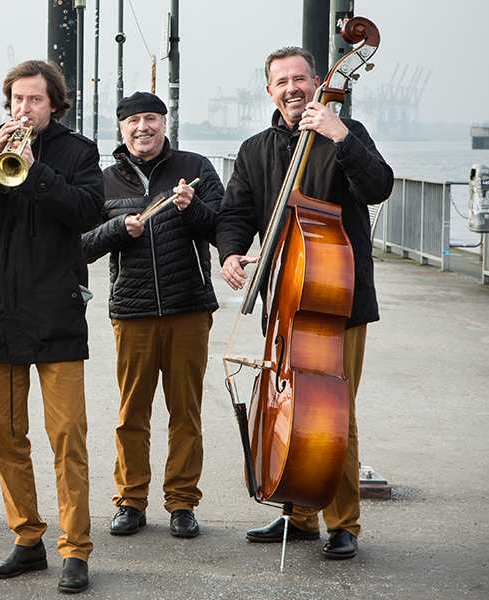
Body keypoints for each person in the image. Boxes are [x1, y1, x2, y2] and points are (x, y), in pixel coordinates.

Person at [216, 47, 393, 561]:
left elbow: (377, 186)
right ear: (269, 91)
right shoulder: (255, 150)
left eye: (300, 79)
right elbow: (235, 212)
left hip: (339, 299)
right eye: (281, 82)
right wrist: (230, 251)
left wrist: (339, 135)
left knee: (334, 411)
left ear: (317, 82)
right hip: (288, 298)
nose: (292, 88)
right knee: (290, 406)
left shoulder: (348, 132)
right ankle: (297, 512)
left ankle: (344, 523)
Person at [0, 60, 104, 594]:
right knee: (6, 437)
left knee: (67, 438)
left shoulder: (78, 151)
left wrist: (35, 170)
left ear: (54, 104)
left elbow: (86, 211)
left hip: (56, 315)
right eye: (16, 100)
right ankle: (27, 537)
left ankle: (75, 549)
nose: (23, 110)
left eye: (34, 100)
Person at [81, 91, 225, 541]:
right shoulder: (103, 180)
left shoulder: (195, 167)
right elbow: (81, 245)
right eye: (133, 121)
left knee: (186, 411)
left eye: (151, 119)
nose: (143, 127)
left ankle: (182, 502)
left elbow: (225, 226)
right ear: (121, 129)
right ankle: (130, 501)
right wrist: (116, 230)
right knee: (132, 413)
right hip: (132, 310)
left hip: (189, 307)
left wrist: (191, 207)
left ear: (165, 123)